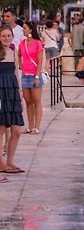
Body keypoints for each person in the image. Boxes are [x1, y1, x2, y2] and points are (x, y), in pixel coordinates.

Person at [0, 26, 25, 180]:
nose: (6, 38)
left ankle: (10, 162)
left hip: (13, 92)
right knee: (1, 130)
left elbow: (16, 72)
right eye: (3, 36)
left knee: (17, 130)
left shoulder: (13, 51)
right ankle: (1, 164)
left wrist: (20, 93)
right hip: (1, 93)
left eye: (9, 35)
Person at [18, 21, 44, 135]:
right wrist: (20, 63)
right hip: (25, 75)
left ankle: (36, 127)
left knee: (36, 101)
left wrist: (37, 76)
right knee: (28, 102)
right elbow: (19, 54)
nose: (23, 30)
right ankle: (30, 126)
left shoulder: (38, 43)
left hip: (34, 75)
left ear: (30, 30)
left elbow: (40, 61)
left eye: (24, 28)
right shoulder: (22, 43)